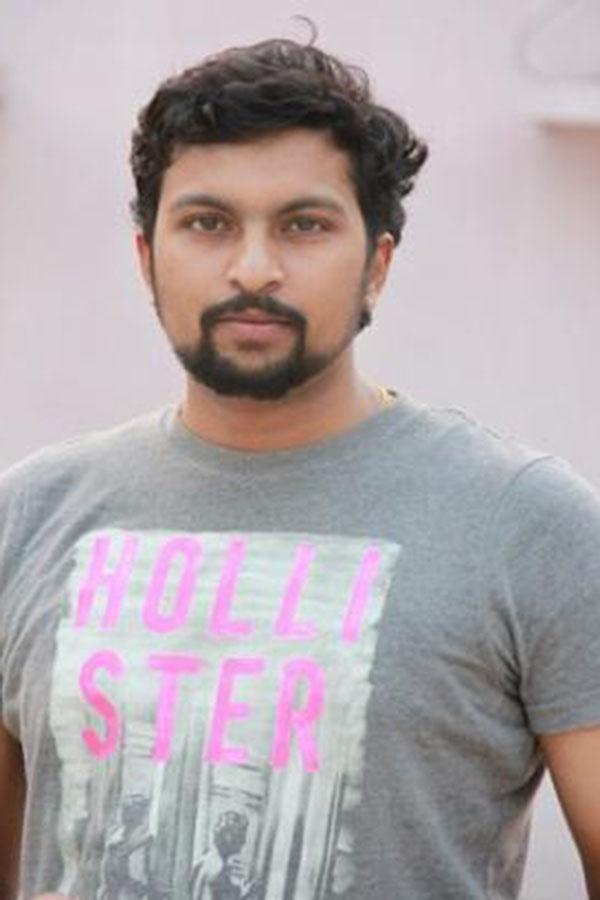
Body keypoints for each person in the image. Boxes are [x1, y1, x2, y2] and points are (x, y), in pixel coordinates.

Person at [1, 15, 599, 900]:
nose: (253, 269)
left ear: (377, 265)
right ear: (146, 257)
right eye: (207, 222)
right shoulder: (27, 518)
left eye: (304, 225)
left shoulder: (529, 524)